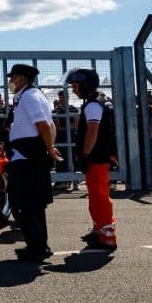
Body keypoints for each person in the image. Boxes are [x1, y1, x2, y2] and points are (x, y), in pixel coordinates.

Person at [5, 64, 58, 262]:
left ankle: (37, 248)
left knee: (25, 204)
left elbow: (44, 124)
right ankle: (37, 245)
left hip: (27, 158)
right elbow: (49, 125)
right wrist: (49, 146)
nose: (10, 81)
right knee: (31, 204)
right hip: (26, 155)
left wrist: (49, 148)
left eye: (13, 77)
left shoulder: (29, 97)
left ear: (21, 78)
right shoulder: (28, 97)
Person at [66, 68, 118, 251]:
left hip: (96, 157)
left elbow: (92, 131)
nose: (73, 90)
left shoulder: (93, 105)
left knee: (99, 197)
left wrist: (84, 155)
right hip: (100, 155)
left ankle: (107, 235)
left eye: (75, 86)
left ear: (85, 85)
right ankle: (99, 230)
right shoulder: (99, 100)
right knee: (96, 196)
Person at [52, 90, 79, 191]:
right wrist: (69, 126)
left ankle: (73, 181)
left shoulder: (73, 109)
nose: (62, 100)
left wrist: (65, 127)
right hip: (60, 137)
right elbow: (57, 126)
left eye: (64, 98)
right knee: (61, 158)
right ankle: (63, 181)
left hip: (71, 137)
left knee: (72, 158)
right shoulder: (56, 110)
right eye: (61, 98)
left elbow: (76, 124)